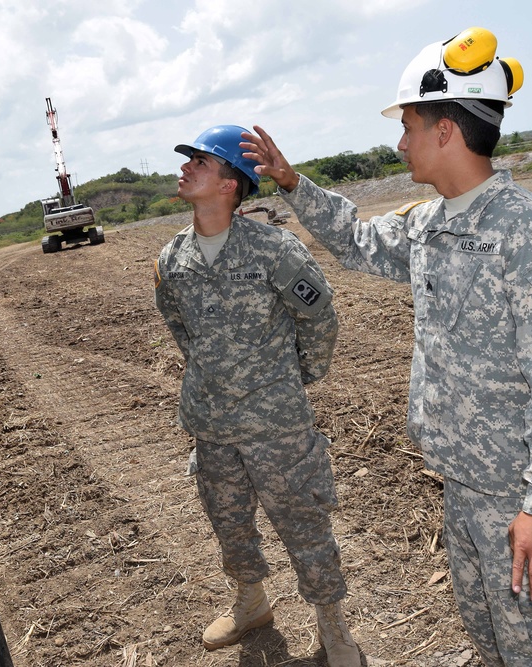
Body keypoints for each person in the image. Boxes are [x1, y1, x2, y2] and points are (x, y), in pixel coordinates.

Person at [241, 27, 532, 667]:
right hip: (460, 486)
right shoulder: (430, 225)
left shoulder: (530, 231)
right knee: (493, 645)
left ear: (446, 130)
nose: (400, 141)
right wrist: (294, 185)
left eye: (409, 124)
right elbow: (355, 240)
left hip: (517, 494)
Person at [154, 125, 363, 666]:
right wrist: (211, 374)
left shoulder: (274, 248)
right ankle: (251, 602)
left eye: (200, 161)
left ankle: (333, 627)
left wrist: (297, 378)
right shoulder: (171, 258)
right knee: (228, 520)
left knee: (304, 524)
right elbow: (179, 326)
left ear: (230, 184)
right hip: (212, 422)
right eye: (188, 160)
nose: (186, 168)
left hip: (277, 423)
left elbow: (318, 317)